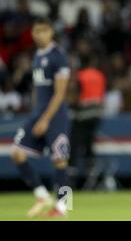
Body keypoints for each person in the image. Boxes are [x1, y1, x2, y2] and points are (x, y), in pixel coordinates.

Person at [10, 18, 71, 218]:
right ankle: (42, 195)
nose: (39, 35)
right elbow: (39, 90)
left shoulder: (58, 56)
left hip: (55, 116)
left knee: (60, 160)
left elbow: (60, 93)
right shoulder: (36, 56)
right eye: (36, 31)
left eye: (43, 31)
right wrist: (37, 113)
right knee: (17, 153)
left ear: (51, 32)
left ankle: (63, 207)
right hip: (38, 113)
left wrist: (45, 119)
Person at [68, 55, 106, 189]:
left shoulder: (81, 76)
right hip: (97, 115)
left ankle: (70, 179)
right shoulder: (100, 75)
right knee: (89, 146)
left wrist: (71, 104)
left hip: (83, 114)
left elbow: (76, 96)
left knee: (74, 145)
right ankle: (92, 177)